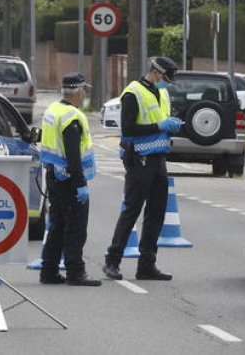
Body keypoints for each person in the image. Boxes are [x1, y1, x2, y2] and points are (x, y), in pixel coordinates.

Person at [102, 56, 184, 281]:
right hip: (139, 158)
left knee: (156, 212)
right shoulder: (133, 92)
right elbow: (128, 128)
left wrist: (171, 126)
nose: (166, 83)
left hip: (158, 158)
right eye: (165, 78)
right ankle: (113, 260)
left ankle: (147, 264)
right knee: (132, 209)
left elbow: (161, 120)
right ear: (156, 73)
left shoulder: (163, 93)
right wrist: (159, 126)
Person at [38, 72, 102, 286]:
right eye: (84, 90)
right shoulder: (71, 117)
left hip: (54, 177)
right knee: (75, 227)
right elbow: (73, 155)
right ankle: (76, 272)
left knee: (56, 225)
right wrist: (81, 184)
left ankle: (49, 271)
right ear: (79, 91)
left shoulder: (53, 110)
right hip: (69, 180)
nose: (85, 94)